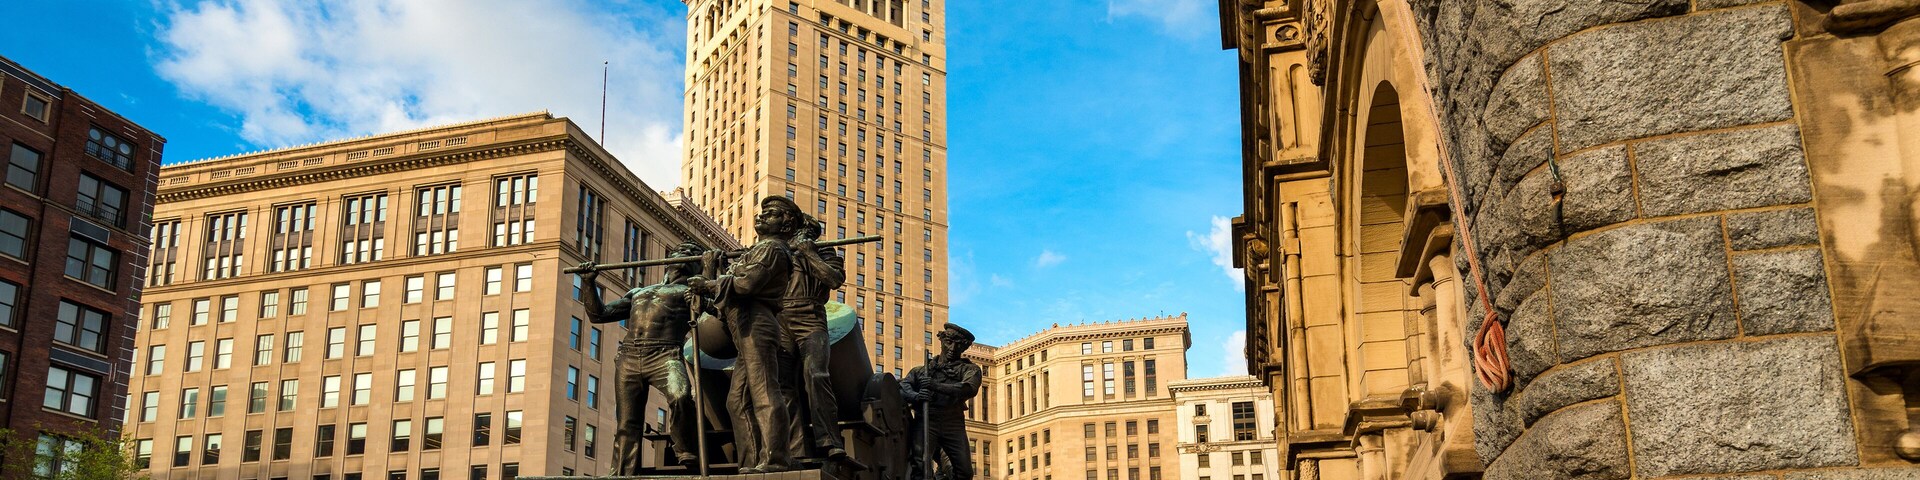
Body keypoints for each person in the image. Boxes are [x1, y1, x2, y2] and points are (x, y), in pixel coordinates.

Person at [688, 195, 800, 473]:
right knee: (736, 399)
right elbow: (728, 295)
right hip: (744, 326)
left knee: (764, 391)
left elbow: (747, 284)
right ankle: (751, 462)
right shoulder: (757, 250)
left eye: (771, 214)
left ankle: (776, 458)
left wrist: (710, 283)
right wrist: (711, 274)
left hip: (756, 322)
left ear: (786, 226)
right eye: (762, 213)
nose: (761, 217)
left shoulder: (772, 249)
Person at [576, 242, 708, 473]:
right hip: (629, 356)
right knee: (627, 422)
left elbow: (716, 310)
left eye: (692, 253)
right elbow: (599, 315)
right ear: (669, 260)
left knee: (681, 397)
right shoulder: (639, 292)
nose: (685, 254)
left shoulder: (691, 292)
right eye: (681, 251)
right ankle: (622, 473)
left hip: (665, 354)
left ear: (696, 265)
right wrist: (588, 282)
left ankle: (685, 448)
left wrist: (709, 275)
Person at [780, 215, 849, 460]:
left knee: (816, 375)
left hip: (810, 316)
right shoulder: (778, 250)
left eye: (806, 233)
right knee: (781, 383)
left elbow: (834, 279)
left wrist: (809, 253)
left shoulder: (823, 252)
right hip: (779, 319)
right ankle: (794, 447)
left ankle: (829, 440)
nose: (800, 237)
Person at [901, 324, 984, 480]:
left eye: (959, 345)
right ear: (941, 341)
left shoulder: (969, 370)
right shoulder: (921, 371)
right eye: (949, 342)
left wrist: (935, 385)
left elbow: (967, 389)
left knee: (965, 472)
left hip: (953, 423)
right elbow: (903, 386)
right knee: (920, 465)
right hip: (926, 420)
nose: (953, 348)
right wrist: (916, 396)